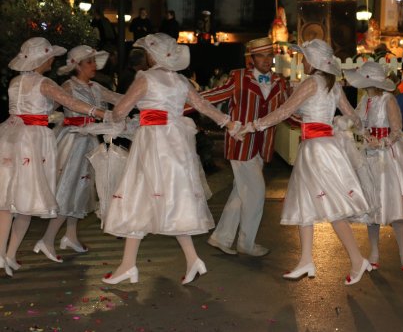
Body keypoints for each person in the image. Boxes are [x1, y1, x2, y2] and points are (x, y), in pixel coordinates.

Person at [99, 33, 241, 285]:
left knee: (138, 194)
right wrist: (229, 123)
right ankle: (182, 260)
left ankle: (130, 265)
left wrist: (113, 120)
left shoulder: (145, 78)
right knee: (170, 199)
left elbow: (121, 109)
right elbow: (203, 106)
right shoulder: (181, 81)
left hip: (153, 142)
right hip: (175, 144)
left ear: (152, 55)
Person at [241, 39, 376, 285]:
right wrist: (364, 132)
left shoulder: (312, 82)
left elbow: (283, 111)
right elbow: (352, 115)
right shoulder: (332, 85)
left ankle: (356, 259)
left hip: (316, 150)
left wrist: (253, 126)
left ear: (312, 61)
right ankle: (306, 260)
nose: (301, 60)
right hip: (324, 148)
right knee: (307, 202)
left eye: (303, 57)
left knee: (331, 207)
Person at [0, 37, 105, 276]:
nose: (52, 61)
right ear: (43, 59)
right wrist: (100, 113)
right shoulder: (44, 83)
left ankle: (8, 255)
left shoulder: (16, 81)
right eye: (50, 57)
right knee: (22, 200)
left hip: (10, 137)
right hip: (31, 141)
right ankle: (5, 255)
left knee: (7, 200)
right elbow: (71, 102)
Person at [200, 37, 288, 257]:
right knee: (256, 192)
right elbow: (212, 96)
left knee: (241, 192)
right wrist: (182, 100)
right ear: (252, 58)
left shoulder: (280, 82)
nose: (266, 60)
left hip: (262, 146)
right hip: (241, 143)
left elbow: (287, 111)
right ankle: (246, 243)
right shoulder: (238, 77)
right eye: (261, 56)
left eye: (269, 55)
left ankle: (221, 238)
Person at [36, 46, 122, 261]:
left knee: (82, 188)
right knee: (68, 187)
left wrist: (151, 98)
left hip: (90, 139)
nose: (94, 66)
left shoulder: (96, 87)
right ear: (78, 66)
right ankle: (47, 239)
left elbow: (119, 98)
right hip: (73, 140)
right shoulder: (68, 86)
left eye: (94, 61)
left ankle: (71, 235)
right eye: (90, 62)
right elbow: (47, 107)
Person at [344, 61, 403, 274]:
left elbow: (397, 129)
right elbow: (358, 124)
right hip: (369, 155)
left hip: (388, 156)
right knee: (373, 207)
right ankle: (374, 252)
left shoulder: (388, 99)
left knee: (396, 208)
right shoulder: (365, 100)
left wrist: (382, 142)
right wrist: (364, 135)